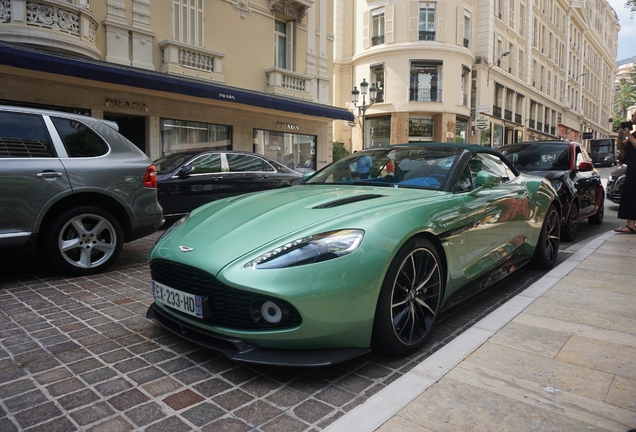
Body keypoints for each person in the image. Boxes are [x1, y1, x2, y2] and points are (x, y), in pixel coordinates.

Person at [615, 112, 636, 234]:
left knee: (631, 194)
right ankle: (631, 224)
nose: (631, 117)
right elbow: (620, 146)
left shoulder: (632, 135)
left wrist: (628, 134)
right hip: (632, 167)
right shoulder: (633, 134)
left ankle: (631, 225)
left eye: (634, 115)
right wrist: (620, 136)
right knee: (630, 194)